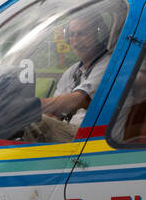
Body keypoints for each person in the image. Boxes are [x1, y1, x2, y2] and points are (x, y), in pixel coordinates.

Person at [29, 10, 111, 142]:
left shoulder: (108, 65)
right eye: (72, 35)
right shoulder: (72, 71)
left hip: (89, 138)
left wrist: (32, 106)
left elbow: (79, 100)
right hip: (72, 132)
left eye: (82, 33)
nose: (76, 40)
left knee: (32, 121)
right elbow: (55, 110)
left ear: (99, 35)